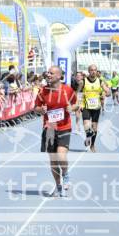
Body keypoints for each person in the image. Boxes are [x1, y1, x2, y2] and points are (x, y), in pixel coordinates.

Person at [34, 66, 78, 197]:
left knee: (61, 156)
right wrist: (40, 110)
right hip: (49, 129)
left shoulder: (67, 90)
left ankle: (65, 174)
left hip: (64, 127)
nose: (48, 75)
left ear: (59, 76)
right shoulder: (43, 91)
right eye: (48, 73)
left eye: (51, 73)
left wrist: (72, 108)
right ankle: (58, 185)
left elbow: (76, 104)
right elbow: (35, 107)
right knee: (53, 161)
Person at [81, 65, 110, 152]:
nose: (93, 72)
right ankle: (88, 136)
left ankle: (92, 145)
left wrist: (107, 93)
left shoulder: (100, 81)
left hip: (96, 107)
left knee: (94, 128)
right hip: (86, 106)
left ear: (97, 71)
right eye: (91, 70)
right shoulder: (83, 81)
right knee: (86, 125)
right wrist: (79, 104)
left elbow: (107, 91)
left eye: (95, 70)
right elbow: (78, 93)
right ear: (88, 71)